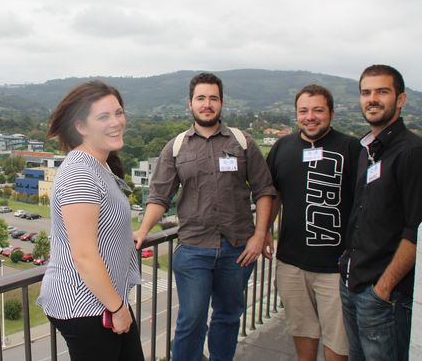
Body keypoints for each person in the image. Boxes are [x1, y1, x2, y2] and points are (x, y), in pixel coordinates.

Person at [134, 72, 276, 361]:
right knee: (192, 319)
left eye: (213, 98)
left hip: (238, 249)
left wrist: (260, 235)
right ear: (190, 104)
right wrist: (143, 229)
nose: (207, 104)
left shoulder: (242, 142)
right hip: (194, 249)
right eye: (201, 98)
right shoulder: (175, 147)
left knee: (228, 316)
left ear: (222, 103)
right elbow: (160, 196)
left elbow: (264, 191)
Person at [37, 80, 144, 361]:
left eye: (119, 113)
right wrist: (118, 309)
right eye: (104, 116)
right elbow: (84, 255)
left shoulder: (99, 165)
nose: (116, 122)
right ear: (81, 127)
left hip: (104, 301)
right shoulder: (79, 174)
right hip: (85, 306)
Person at [266, 84, 360, 361]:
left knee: (338, 340)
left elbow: (364, 201)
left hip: (336, 267)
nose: (310, 117)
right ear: (296, 114)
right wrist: (263, 232)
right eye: (304, 111)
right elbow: (273, 194)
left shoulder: (351, 148)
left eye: (318, 110)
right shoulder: (283, 147)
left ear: (331, 112)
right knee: (302, 329)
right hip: (291, 262)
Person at [339, 65, 422, 360]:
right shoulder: (366, 149)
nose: (372, 99)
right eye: (366, 92)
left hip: (383, 295)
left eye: (382, 92)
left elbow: (417, 230)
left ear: (400, 99)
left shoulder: (412, 152)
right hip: (353, 284)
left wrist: (383, 289)